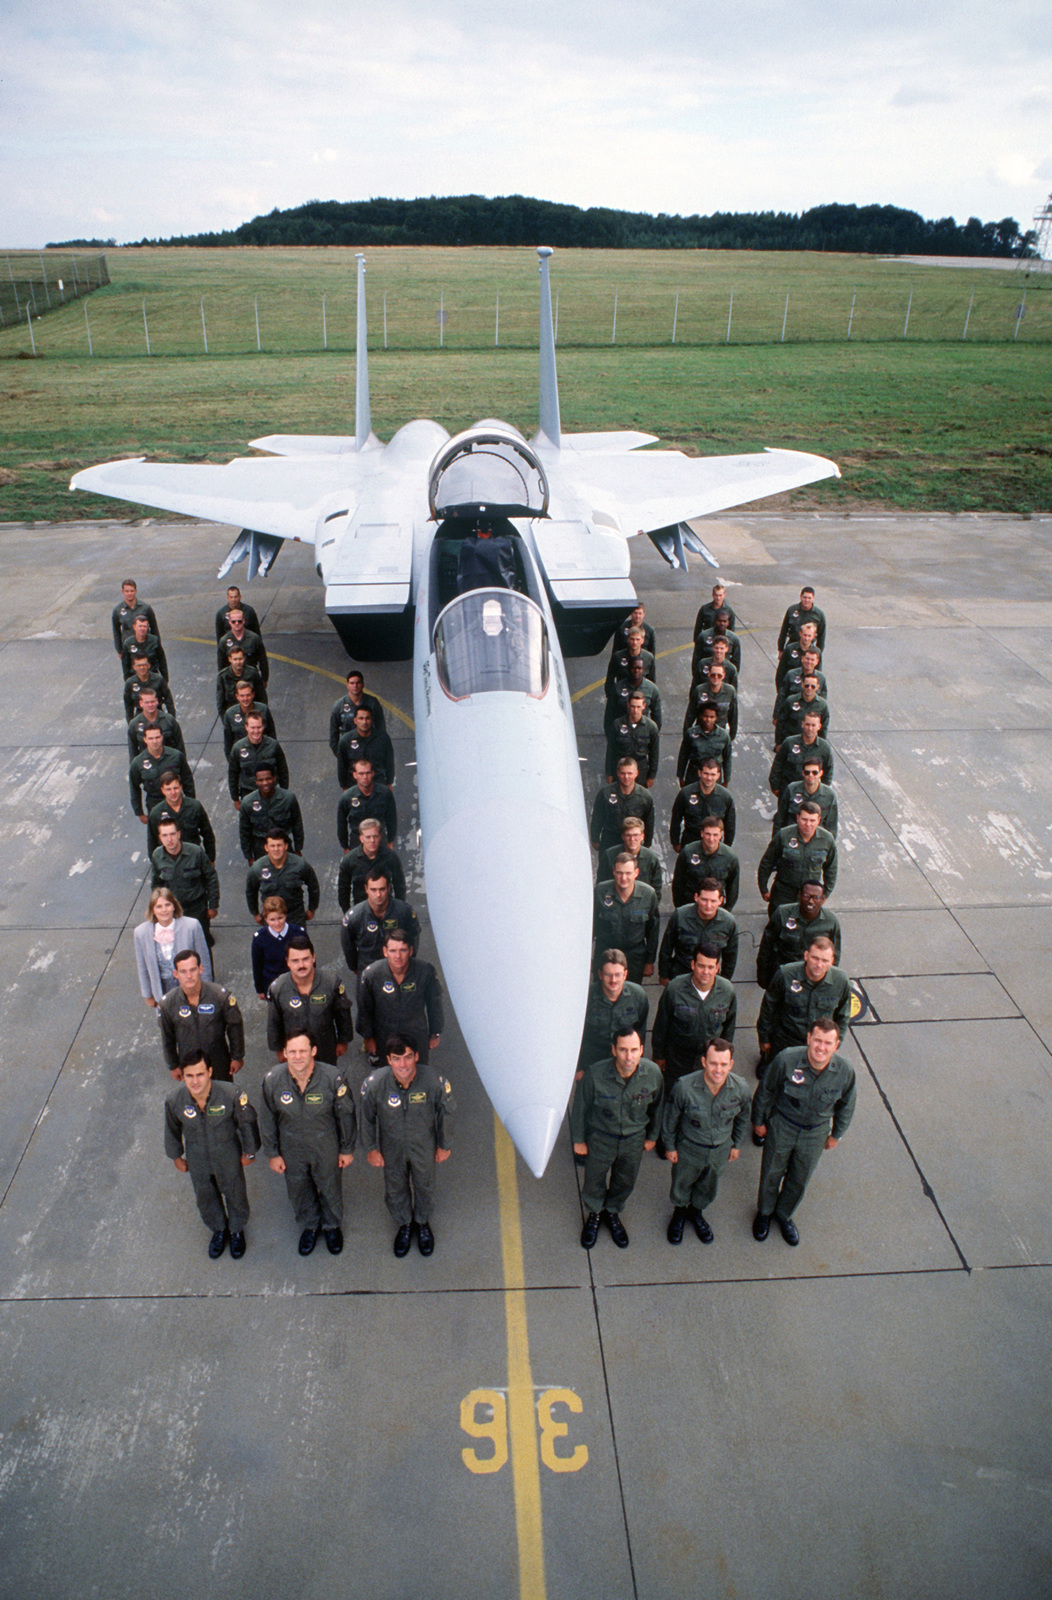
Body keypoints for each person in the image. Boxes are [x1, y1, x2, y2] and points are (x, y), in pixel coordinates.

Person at [751, 1017, 855, 1246]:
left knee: (800, 1178)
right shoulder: (787, 1059)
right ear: (808, 1038)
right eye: (817, 1040)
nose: (821, 1047)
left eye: (828, 1043)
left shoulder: (845, 1071)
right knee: (771, 1172)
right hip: (783, 1125)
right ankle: (765, 1213)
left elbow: (847, 1104)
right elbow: (766, 1090)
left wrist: (837, 1134)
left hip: (815, 1133)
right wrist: (758, 1121)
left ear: (836, 1045)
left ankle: (784, 1214)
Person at [259, 1030, 356, 1256]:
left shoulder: (333, 1078)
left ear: (313, 1051)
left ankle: (332, 1226)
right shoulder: (273, 1080)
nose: (298, 1056)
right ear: (284, 1053)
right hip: (291, 1147)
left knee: (330, 1186)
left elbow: (346, 1115)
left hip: (326, 1145)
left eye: (303, 1051)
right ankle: (310, 1225)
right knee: (298, 1188)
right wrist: (273, 1153)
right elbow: (267, 1119)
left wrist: (347, 1148)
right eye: (292, 1051)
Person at [361, 1033, 455, 1256]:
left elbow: (447, 1113)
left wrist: (444, 1144)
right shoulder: (375, 1085)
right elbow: (366, 1118)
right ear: (388, 1059)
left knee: (425, 1185)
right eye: (396, 1058)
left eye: (408, 1057)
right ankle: (404, 1224)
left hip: (424, 1145)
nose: (403, 1064)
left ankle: (422, 1223)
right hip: (391, 1148)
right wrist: (371, 1149)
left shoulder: (433, 1081)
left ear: (417, 1057)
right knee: (395, 1188)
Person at [571, 1027, 664, 1250]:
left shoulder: (653, 1074)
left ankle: (612, 1212)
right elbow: (580, 1108)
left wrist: (652, 1137)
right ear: (614, 1050)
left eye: (634, 1050)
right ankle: (594, 1214)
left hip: (633, 1139)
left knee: (625, 1179)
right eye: (623, 1050)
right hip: (601, 1138)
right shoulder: (595, 1074)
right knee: (594, 1178)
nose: (628, 1057)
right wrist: (579, 1140)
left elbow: (658, 1108)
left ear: (642, 1049)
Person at [164, 1051, 260, 1260]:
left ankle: (236, 1230)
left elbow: (247, 1123)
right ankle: (219, 1229)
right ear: (184, 1075)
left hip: (227, 1154)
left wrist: (250, 1152)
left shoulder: (230, 1094)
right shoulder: (175, 1100)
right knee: (205, 1196)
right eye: (189, 1076)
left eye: (200, 1074)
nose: (195, 1081)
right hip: (197, 1157)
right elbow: (171, 1129)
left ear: (210, 1071)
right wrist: (176, 1156)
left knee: (235, 1192)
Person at [662, 1038, 751, 1244]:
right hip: (689, 1148)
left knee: (708, 1185)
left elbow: (743, 1117)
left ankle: (696, 1212)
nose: (717, 1070)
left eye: (723, 1064)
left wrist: (736, 1144)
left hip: (720, 1150)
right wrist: (669, 1146)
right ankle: (679, 1213)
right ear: (703, 1062)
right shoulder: (684, 1087)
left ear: (731, 1064)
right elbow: (670, 1119)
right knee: (682, 1183)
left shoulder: (741, 1088)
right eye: (713, 1063)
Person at [756, 936, 851, 1071]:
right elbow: (768, 1007)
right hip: (785, 1038)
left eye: (825, 960)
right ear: (806, 955)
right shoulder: (786, 974)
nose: (819, 965)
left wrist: (835, 1044)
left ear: (832, 962)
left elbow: (843, 1015)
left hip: (817, 1043)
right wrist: (764, 1038)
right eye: (815, 958)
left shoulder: (840, 981)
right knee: (775, 1071)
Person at [651, 944, 738, 1088]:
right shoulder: (674, 989)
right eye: (701, 966)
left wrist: (724, 1059)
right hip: (676, 1058)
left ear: (717, 968)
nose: (705, 972)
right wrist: (658, 1056)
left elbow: (729, 1028)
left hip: (708, 1062)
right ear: (693, 965)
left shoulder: (727, 991)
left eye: (711, 967)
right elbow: (661, 1025)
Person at [357, 928, 444, 1066]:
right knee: (386, 1076)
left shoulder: (426, 971)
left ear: (410, 951)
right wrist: (368, 1037)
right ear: (385, 952)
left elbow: (435, 1004)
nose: (398, 956)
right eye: (393, 951)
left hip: (415, 1033)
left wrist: (435, 1033)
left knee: (419, 1072)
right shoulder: (372, 974)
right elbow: (365, 1009)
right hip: (384, 1035)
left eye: (403, 950)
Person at [159, 951, 244, 1081]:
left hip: (219, 1063)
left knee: (223, 1097)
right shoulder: (168, 1004)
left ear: (201, 969)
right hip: (189, 1068)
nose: (189, 976)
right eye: (183, 971)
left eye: (193, 970)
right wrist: (173, 1065)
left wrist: (237, 1057)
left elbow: (235, 1028)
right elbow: (167, 1037)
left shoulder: (220, 996)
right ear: (175, 974)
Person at [267, 936, 353, 1064]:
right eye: (295, 961)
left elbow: (343, 1015)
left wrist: (343, 1041)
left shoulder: (331, 983)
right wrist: (279, 1049)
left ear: (313, 957)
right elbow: (274, 1022)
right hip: (295, 1053)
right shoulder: (278, 988)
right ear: (288, 962)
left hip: (325, 1049)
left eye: (305, 959)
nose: (301, 965)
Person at [134, 887, 211, 1007]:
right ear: (152, 910)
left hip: (190, 989)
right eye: (159, 906)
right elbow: (142, 966)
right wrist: (148, 995)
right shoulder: (141, 933)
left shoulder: (192, 926)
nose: (164, 910)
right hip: (162, 992)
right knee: (167, 1024)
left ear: (174, 906)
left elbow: (204, 961)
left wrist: (206, 991)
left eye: (167, 905)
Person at [576, 950, 649, 1076]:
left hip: (623, 1064)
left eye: (618, 974)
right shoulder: (585, 997)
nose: (613, 980)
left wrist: (634, 1062)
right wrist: (578, 1067)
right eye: (608, 974)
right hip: (591, 1065)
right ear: (600, 974)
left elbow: (640, 1034)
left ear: (625, 974)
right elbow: (574, 1035)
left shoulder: (638, 996)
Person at [756, 882, 843, 988]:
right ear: (799, 896)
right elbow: (766, 946)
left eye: (816, 897)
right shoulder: (782, 913)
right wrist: (763, 976)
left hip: (812, 976)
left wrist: (827, 979)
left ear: (823, 900)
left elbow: (835, 954)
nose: (811, 901)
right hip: (783, 972)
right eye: (806, 896)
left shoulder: (831, 921)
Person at [341, 870, 420, 984]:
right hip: (368, 972)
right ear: (366, 889)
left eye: (382, 889)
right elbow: (348, 946)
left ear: (388, 888)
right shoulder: (354, 917)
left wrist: (409, 961)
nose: (378, 895)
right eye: (373, 890)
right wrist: (355, 967)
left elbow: (414, 936)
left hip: (399, 970)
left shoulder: (404, 912)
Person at [757, 802, 838, 913]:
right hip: (784, 891)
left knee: (805, 924)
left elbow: (831, 869)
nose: (808, 824)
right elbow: (767, 862)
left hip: (810, 895)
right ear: (798, 818)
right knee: (777, 922)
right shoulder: (784, 835)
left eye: (812, 820)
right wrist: (764, 888)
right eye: (804, 819)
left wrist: (825, 894)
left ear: (819, 820)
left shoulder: (827, 840)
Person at [592, 855, 659, 984]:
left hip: (634, 957)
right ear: (613, 872)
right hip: (605, 952)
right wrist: (588, 957)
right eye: (619, 873)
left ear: (636, 872)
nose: (623, 878)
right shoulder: (600, 891)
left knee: (632, 994)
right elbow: (590, 928)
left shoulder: (648, 894)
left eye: (628, 873)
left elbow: (653, 931)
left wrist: (650, 961)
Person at [150, 820, 220, 944]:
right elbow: (156, 884)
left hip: (196, 908)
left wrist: (213, 906)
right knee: (177, 944)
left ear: (179, 834)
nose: (169, 839)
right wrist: (159, 908)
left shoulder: (196, 852)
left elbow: (211, 877)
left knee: (202, 942)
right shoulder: (157, 855)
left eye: (172, 834)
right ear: (160, 838)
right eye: (165, 835)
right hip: (173, 910)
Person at [659, 878, 738, 982]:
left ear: (720, 900)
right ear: (696, 897)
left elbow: (730, 956)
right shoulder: (680, 915)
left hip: (709, 977)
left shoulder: (728, 922)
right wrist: (664, 975)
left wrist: (724, 981)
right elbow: (666, 948)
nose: (708, 906)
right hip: (681, 974)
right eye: (704, 900)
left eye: (713, 901)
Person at [245, 831, 320, 927]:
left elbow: (313, 886)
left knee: (299, 941)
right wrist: (255, 913)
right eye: (272, 846)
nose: (276, 849)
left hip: (295, 916)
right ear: (266, 848)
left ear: (286, 846)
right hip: (271, 918)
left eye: (279, 845)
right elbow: (251, 891)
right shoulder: (257, 868)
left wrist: (312, 908)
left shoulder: (300, 864)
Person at [238, 763, 305, 862]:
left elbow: (297, 824)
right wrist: (249, 856)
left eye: (268, 779)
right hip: (260, 849)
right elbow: (244, 832)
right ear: (256, 781)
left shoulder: (288, 798)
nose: (265, 783)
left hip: (284, 846)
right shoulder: (248, 803)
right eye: (260, 780)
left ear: (274, 778)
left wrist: (298, 848)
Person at [670, 816, 740, 909]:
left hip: (715, 908)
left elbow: (733, 889)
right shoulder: (688, 852)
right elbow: (678, 884)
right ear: (702, 833)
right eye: (708, 834)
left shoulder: (730, 857)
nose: (711, 839)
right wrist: (680, 909)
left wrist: (726, 911)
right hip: (690, 905)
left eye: (715, 835)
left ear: (721, 835)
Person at [589, 757, 654, 856]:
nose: (626, 777)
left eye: (630, 773)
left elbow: (649, 822)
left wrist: (647, 843)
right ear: (618, 773)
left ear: (636, 773)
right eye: (623, 773)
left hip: (632, 843)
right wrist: (595, 839)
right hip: (610, 840)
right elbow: (597, 817)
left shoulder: (645, 796)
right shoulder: (605, 793)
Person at [337, 820, 407, 910]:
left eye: (375, 836)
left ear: (380, 837)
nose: (372, 840)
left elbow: (399, 886)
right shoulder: (349, 860)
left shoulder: (391, 857)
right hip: (360, 911)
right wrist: (348, 913)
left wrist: (398, 910)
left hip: (387, 910)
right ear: (361, 838)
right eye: (368, 837)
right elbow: (343, 891)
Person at [147, 770, 216, 860]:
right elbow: (152, 843)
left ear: (181, 787)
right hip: (170, 862)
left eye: (175, 788)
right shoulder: (156, 814)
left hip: (194, 859)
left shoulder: (194, 806)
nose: (173, 793)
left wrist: (210, 859)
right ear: (162, 790)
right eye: (168, 789)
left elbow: (208, 834)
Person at [669, 757, 736, 850]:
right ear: (699, 773)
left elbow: (730, 825)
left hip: (713, 844)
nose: (709, 778)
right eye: (706, 773)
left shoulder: (725, 797)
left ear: (718, 776)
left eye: (713, 774)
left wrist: (726, 847)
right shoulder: (686, 793)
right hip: (690, 841)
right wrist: (675, 842)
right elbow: (676, 819)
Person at [129, 726, 195, 821]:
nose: (154, 741)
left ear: (162, 737)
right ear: (145, 740)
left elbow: (187, 780)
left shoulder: (176, 756)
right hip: (154, 803)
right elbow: (134, 787)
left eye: (157, 737)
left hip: (177, 800)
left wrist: (190, 802)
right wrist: (139, 812)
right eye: (151, 738)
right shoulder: (138, 763)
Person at [228, 712, 290, 807]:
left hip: (270, 791)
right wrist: (235, 798)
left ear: (263, 726)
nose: (256, 731)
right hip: (248, 792)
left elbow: (283, 770)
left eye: (259, 727)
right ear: (246, 727)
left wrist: (284, 792)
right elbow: (233, 774)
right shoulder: (238, 748)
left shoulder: (273, 745)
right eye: (252, 728)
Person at [250, 895, 306, 1000]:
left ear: (285, 915)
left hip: (296, 982)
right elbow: (257, 965)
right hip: (272, 984)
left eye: (280, 918)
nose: (277, 923)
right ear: (265, 919)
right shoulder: (260, 939)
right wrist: (260, 989)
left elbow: (309, 958)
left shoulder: (298, 933)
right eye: (272, 920)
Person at [768, 710, 834, 797]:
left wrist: (822, 792)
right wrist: (775, 787)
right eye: (807, 724)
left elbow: (828, 771)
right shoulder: (789, 742)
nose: (810, 728)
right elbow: (778, 764)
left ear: (819, 726)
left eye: (813, 725)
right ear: (802, 724)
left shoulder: (824, 747)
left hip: (811, 794)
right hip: (788, 791)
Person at [337, 757, 397, 849]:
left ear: (373, 773)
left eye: (368, 773)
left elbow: (392, 819)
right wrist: (345, 847)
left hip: (380, 841)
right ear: (355, 775)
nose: (365, 777)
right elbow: (341, 824)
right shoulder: (347, 797)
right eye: (361, 773)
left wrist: (390, 841)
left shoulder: (385, 793)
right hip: (356, 843)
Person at [604, 692, 660, 785]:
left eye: (638, 707)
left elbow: (654, 753)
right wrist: (609, 773)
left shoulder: (651, 727)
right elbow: (610, 750)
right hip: (621, 768)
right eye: (633, 706)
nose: (635, 710)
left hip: (641, 770)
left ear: (644, 706)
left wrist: (651, 776)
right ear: (628, 705)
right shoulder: (617, 725)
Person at [773, 758, 839, 836]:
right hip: (791, 838)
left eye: (815, 772)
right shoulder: (791, 789)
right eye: (807, 772)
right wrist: (776, 842)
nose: (810, 775)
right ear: (803, 773)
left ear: (820, 773)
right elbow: (780, 818)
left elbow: (832, 826)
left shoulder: (829, 795)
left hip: (816, 841)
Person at [602, 815, 663, 900]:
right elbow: (602, 886)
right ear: (623, 836)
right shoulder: (609, 856)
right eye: (628, 835)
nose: (632, 839)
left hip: (642, 906)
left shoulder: (652, 859)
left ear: (642, 836)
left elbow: (656, 890)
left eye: (636, 835)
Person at [336, 706, 395, 789]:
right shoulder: (346, 740)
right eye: (361, 718)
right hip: (354, 788)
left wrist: (389, 783)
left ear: (372, 720)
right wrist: (344, 787)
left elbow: (389, 763)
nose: (364, 722)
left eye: (367, 718)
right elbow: (342, 767)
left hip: (378, 787)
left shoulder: (383, 738)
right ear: (355, 720)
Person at [329, 669, 386, 752]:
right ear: (347, 685)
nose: (355, 686)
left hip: (369, 748)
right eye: (352, 683)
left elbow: (381, 728)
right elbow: (333, 732)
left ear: (362, 684)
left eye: (358, 683)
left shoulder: (372, 702)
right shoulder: (339, 705)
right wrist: (338, 752)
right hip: (348, 749)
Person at [681, 660, 738, 741]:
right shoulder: (699, 690)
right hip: (701, 734)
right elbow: (690, 715)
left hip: (719, 735)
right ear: (708, 674)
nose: (716, 677)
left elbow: (733, 716)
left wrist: (730, 738)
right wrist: (687, 737)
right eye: (713, 675)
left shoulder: (730, 691)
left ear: (724, 676)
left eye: (719, 675)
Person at [677, 703, 731, 787]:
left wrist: (726, 780)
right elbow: (683, 756)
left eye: (712, 717)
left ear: (716, 718)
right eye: (706, 716)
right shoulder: (691, 733)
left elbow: (727, 758)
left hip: (713, 778)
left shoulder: (723, 736)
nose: (708, 720)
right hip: (694, 776)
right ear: (700, 716)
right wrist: (681, 777)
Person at [605, 655, 662, 733]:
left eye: (639, 668)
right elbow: (609, 715)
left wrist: (653, 733)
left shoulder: (652, 689)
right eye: (633, 668)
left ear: (644, 670)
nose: (636, 671)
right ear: (628, 669)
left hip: (642, 733)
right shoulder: (617, 688)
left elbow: (657, 716)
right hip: (622, 732)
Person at [222, 678, 277, 757]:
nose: (245, 699)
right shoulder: (229, 714)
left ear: (253, 695)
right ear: (237, 696)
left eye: (248, 695)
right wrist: (232, 763)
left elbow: (272, 733)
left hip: (263, 754)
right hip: (242, 757)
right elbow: (228, 743)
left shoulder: (263, 709)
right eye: (242, 696)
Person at [127, 688, 186, 761]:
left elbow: (180, 745)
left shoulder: (169, 720)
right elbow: (132, 750)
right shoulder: (134, 724)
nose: (150, 705)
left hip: (169, 762)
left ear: (157, 701)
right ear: (141, 703)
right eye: (147, 702)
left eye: (152, 701)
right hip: (147, 765)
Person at [774, 675, 830, 747]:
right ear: (802, 685)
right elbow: (781, 722)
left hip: (811, 744)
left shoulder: (822, 705)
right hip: (791, 742)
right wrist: (779, 742)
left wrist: (820, 745)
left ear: (818, 687)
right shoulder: (791, 701)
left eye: (813, 686)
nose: (809, 688)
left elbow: (824, 726)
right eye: (807, 685)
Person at [217, 608, 269, 685]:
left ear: (244, 621)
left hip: (251, 679)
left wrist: (264, 679)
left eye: (239, 621)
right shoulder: (224, 641)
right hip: (232, 680)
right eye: (233, 621)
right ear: (229, 622)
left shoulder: (254, 638)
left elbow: (263, 660)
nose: (237, 623)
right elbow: (221, 664)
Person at [112, 578, 160, 655]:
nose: (129, 593)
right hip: (129, 648)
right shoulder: (117, 610)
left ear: (136, 591)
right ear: (122, 591)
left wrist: (157, 647)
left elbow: (154, 628)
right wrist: (119, 651)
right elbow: (116, 632)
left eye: (132, 591)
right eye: (127, 591)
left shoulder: (146, 608)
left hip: (146, 647)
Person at [216, 645, 267, 716]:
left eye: (240, 659)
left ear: (244, 658)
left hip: (252, 714)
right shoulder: (223, 677)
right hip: (233, 716)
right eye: (235, 659)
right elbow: (220, 703)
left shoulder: (253, 673)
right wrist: (226, 721)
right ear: (229, 659)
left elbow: (262, 697)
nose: (238, 662)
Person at [605, 626, 656, 696]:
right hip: (622, 695)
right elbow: (609, 680)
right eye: (632, 639)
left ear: (642, 640)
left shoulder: (649, 658)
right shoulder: (617, 657)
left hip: (640, 698)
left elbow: (652, 680)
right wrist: (611, 696)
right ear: (627, 639)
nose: (635, 642)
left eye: (638, 639)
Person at [124, 652, 175, 721]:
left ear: (149, 665)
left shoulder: (159, 680)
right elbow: (128, 707)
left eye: (144, 665)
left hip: (158, 715)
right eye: (139, 665)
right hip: (140, 716)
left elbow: (169, 702)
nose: (142, 668)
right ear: (134, 667)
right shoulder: (130, 683)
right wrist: (131, 724)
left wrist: (171, 720)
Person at [120, 612, 169, 682]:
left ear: (148, 627)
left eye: (144, 626)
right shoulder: (128, 644)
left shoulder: (154, 640)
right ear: (134, 627)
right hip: (136, 679)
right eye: (140, 626)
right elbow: (125, 665)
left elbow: (162, 661)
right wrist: (128, 682)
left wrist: (165, 680)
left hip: (153, 678)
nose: (142, 629)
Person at [777, 585, 827, 654]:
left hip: (809, 650)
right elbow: (784, 631)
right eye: (804, 597)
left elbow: (822, 636)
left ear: (813, 598)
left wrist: (818, 654)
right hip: (792, 647)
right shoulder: (792, 610)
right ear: (801, 597)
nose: (806, 600)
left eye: (809, 598)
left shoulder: (819, 615)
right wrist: (781, 649)